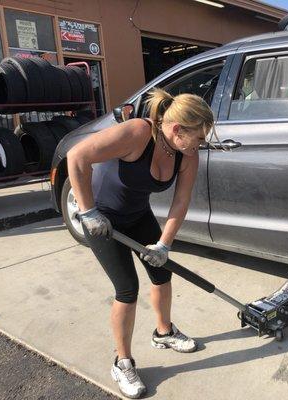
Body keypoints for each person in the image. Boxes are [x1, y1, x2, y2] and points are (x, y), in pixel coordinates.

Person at [67, 88, 215, 399]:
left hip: (137, 215)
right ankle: (122, 363)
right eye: (197, 138)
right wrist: (88, 210)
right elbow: (77, 156)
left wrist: (165, 244)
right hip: (103, 218)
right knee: (127, 289)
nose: (199, 144)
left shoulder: (186, 154)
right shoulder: (138, 133)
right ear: (176, 129)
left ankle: (163, 333)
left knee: (162, 274)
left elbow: (181, 201)